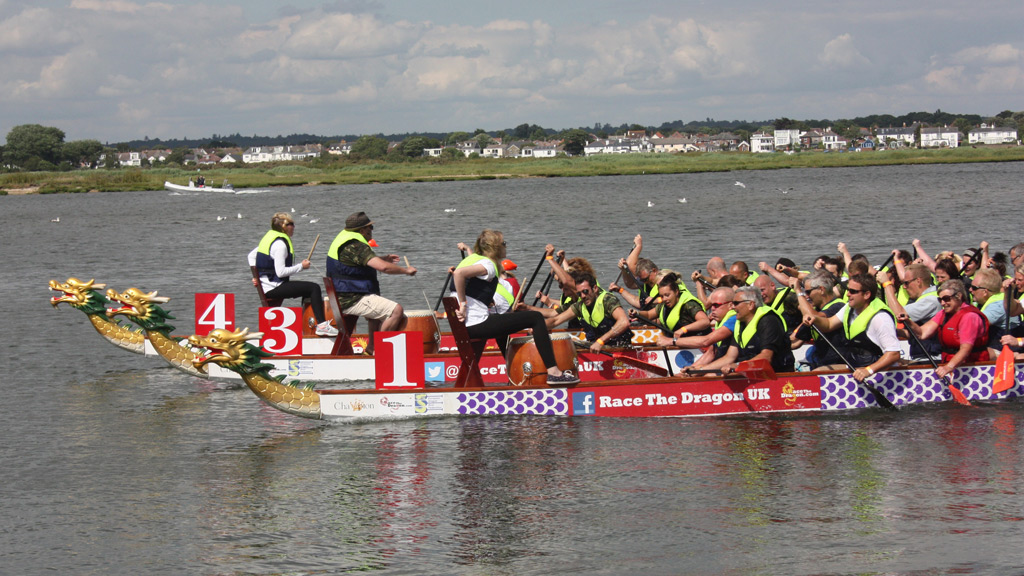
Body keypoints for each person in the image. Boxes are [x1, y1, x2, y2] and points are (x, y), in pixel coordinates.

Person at [452, 230, 577, 384]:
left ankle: (508, 378)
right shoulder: (488, 264)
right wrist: (463, 305)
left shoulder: (472, 259)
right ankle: (554, 372)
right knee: (536, 318)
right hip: (476, 324)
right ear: (495, 247)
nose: (506, 246)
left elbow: (468, 285)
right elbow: (458, 274)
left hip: (464, 326)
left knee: (501, 328)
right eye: (504, 244)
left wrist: (485, 300)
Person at [326, 211, 416, 355]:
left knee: (378, 306)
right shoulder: (356, 245)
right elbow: (383, 268)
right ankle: (380, 352)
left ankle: (371, 349)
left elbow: (355, 262)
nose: (371, 231)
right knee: (396, 311)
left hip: (344, 295)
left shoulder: (344, 240)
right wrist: (406, 271)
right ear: (362, 230)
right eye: (370, 228)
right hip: (351, 299)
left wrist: (382, 258)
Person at [248, 212, 337, 337]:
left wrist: (257, 277)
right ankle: (322, 326)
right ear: (284, 226)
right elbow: (281, 272)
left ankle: (309, 325)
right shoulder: (280, 245)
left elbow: (251, 256)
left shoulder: (270, 239)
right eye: (291, 224)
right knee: (314, 288)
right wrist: (301, 266)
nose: (294, 227)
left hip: (268, 285)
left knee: (307, 290)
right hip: (274, 287)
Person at [803, 273, 901, 382]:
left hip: (879, 373)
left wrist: (868, 370)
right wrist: (815, 318)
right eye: (848, 290)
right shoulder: (849, 308)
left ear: (866, 295)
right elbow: (829, 324)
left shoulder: (880, 318)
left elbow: (893, 354)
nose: (848, 294)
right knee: (817, 373)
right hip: (856, 366)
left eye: (853, 291)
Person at [691, 285, 794, 374]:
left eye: (736, 303)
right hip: (750, 373)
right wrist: (698, 370)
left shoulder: (769, 321)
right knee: (710, 376)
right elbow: (729, 357)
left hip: (778, 376)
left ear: (750, 305)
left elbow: (766, 357)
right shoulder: (740, 323)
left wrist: (737, 366)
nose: (732, 307)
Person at [902, 279, 989, 379]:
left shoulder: (969, 316)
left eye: (946, 299)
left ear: (959, 296)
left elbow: (965, 349)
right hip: (950, 364)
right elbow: (922, 333)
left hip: (972, 369)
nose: (943, 303)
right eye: (940, 300)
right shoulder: (943, 314)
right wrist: (907, 321)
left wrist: (949, 367)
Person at [539, 271, 632, 354]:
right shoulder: (580, 305)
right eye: (579, 294)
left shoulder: (607, 300)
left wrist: (600, 341)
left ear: (595, 288)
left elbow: (624, 322)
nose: (583, 296)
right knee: (566, 346)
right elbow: (556, 320)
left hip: (619, 347)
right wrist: (538, 326)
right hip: (598, 347)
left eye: (585, 291)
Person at [632, 272, 710, 346]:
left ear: (676, 292)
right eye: (662, 296)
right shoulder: (664, 304)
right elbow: (649, 315)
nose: (664, 299)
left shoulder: (689, 304)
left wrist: (683, 329)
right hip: (678, 343)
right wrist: (637, 314)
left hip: (699, 344)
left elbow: (705, 321)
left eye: (667, 295)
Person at [790, 270, 845, 368]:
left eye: (808, 292)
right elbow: (795, 343)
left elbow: (815, 317)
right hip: (820, 363)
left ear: (822, 290)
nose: (806, 296)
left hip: (837, 366)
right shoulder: (817, 310)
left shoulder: (839, 306)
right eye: (804, 292)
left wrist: (798, 292)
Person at [678, 287, 738, 370]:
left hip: (734, 368)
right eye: (711, 305)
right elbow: (711, 352)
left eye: (716, 305)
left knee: (709, 375)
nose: (712, 308)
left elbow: (706, 341)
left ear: (730, 305)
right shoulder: (721, 321)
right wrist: (690, 369)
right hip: (723, 366)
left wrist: (672, 341)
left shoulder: (734, 319)